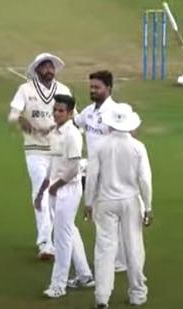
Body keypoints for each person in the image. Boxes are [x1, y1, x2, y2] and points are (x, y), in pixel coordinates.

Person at [84, 103, 154, 308]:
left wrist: (88, 202)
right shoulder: (138, 147)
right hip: (131, 201)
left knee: (105, 249)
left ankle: (102, 297)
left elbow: (91, 177)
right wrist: (148, 207)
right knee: (133, 247)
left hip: (105, 201)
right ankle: (138, 293)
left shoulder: (99, 146)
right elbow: (145, 180)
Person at [7, 52, 73, 260]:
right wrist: (21, 121)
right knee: (41, 193)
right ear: (37, 70)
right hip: (35, 149)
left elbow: (74, 118)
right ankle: (45, 242)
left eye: (51, 67)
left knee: (56, 195)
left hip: (57, 150)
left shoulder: (63, 90)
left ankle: (53, 239)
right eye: (44, 67)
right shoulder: (25, 90)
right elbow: (12, 115)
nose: (49, 70)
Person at [35, 94, 94, 298]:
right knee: (68, 231)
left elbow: (74, 168)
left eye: (61, 111)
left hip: (68, 189)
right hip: (55, 188)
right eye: (55, 110)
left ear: (70, 113)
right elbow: (53, 165)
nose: (56, 114)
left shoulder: (72, 134)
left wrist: (56, 186)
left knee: (61, 238)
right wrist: (43, 189)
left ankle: (58, 286)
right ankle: (84, 274)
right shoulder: (55, 132)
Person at [73, 70, 127, 273]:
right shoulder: (90, 111)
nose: (93, 91)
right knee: (100, 217)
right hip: (93, 171)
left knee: (110, 218)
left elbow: (129, 137)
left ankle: (119, 260)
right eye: (91, 87)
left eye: (97, 87)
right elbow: (74, 122)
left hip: (111, 172)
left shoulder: (115, 112)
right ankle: (113, 258)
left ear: (109, 89)